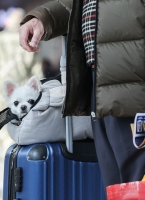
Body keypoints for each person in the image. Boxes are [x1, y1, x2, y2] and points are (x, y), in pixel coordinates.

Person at [19, 0, 145, 190]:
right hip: (101, 77)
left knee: (137, 175)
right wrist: (43, 18)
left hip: (135, 79)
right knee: (118, 181)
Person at [0, 8, 43, 153]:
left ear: (8, 21)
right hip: (24, 87)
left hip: (5, 86)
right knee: (24, 115)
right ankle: (19, 141)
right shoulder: (29, 38)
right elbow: (36, 67)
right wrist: (40, 88)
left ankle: (6, 141)